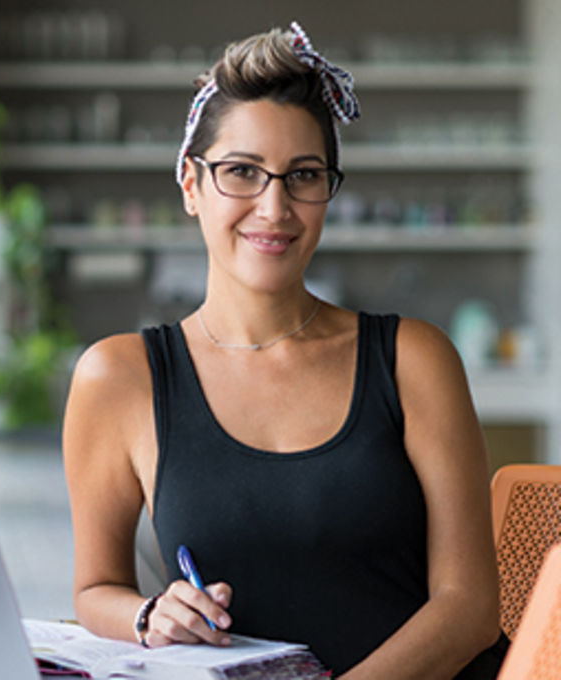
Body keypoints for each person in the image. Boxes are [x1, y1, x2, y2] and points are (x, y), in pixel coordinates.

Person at [62, 20, 510, 679]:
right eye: (241, 172)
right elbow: (95, 589)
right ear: (190, 184)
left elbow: (470, 606)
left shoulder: (414, 359)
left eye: (303, 175)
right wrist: (151, 614)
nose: (274, 208)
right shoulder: (118, 377)